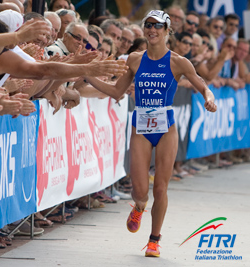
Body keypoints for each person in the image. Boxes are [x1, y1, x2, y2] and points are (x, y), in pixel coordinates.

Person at [84, 10, 217, 257]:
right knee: (141, 190)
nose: (152, 30)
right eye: (148, 25)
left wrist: (209, 99)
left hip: (166, 129)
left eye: (157, 26)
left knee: (161, 188)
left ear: (167, 31)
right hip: (141, 127)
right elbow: (116, 92)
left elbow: (202, 86)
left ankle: (154, 239)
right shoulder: (134, 60)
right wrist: (85, 75)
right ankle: (139, 206)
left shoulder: (179, 62)